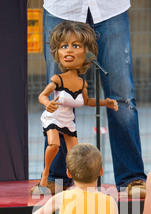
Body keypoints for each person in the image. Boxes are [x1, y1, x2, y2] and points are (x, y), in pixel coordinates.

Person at [32, 0, 146, 198]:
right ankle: (55, 178)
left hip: (110, 8)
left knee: (122, 97)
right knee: (59, 96)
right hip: (62, 8)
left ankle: (131, 178)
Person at [36, 21, 118, 192]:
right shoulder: (58, 79)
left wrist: (106, 102)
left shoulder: (82, 83)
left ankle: (78, 186)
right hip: (53, 117)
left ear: (86, 53)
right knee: (54, 145)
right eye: (64, 46)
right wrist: (47, 103)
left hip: (67, 121)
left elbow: (87, 102)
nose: (69, 50)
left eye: (76, 46)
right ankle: (45, 176)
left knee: (75, 155)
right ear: (58, 53)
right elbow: (42, 95)